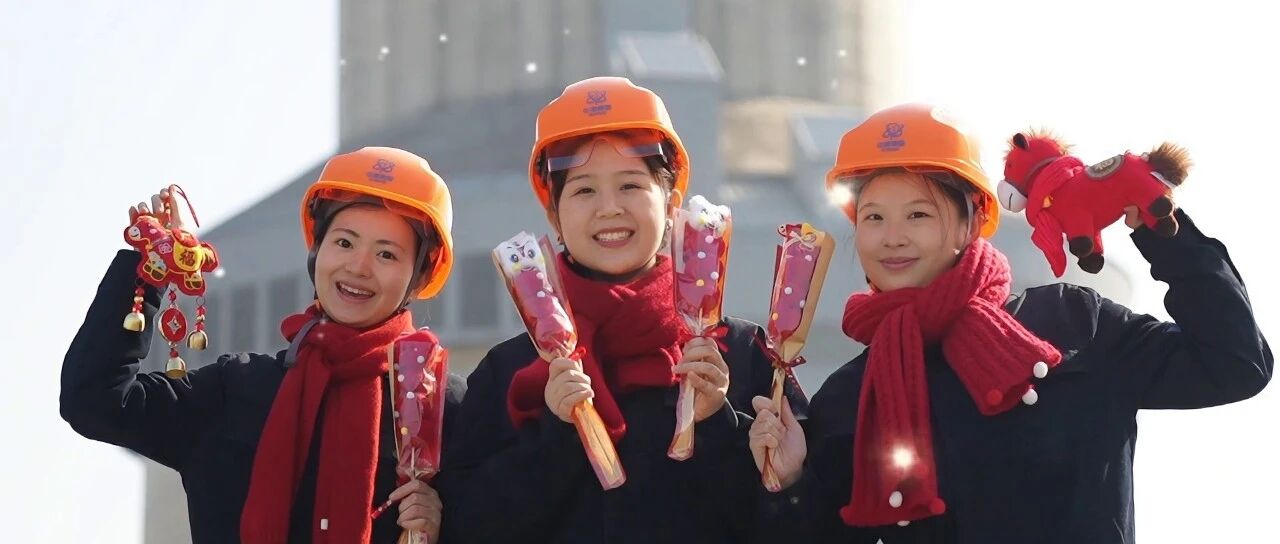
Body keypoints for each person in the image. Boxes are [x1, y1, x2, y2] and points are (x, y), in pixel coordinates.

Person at [748, 103, 1273, 543]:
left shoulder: (1072, 324)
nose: (892, 237)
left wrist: (1165, 233)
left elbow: (1233, 363)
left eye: (918, 214)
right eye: (873, 217)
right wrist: (792, 482)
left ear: (972, 221)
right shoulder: (854, 395)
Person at [437, 76, 802, 543]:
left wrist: (718, 422)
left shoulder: (744, 354)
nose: (609, 208)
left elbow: (803, 521)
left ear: (671, 204)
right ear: (554, 216)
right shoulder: (509, 371)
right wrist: (555, 434)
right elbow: (466, 526)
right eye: (584, 191)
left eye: (630, 185)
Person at [61, 146, 466, 543]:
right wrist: (151, 266)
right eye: (344, 243)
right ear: (317, 249)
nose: (358, 267)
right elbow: (95, 400)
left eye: (386, 254)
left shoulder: (441, 411)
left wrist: (441, 530)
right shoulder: (236, 392)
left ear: (419, 276)